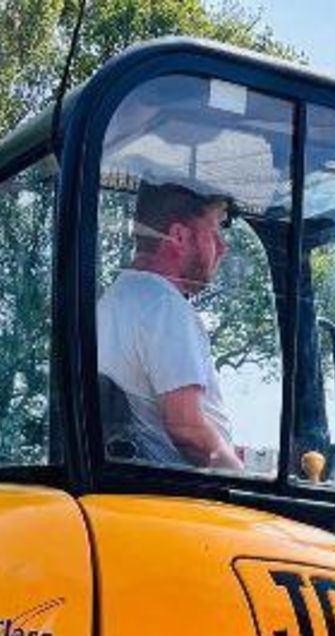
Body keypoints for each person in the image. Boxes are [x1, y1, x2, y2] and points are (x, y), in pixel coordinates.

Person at [97, 181, 241, 470]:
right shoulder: (164, 305)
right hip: (183, 494)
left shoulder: (112, 301)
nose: (223, 248)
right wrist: (246, 481)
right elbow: (188, 431)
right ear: (178, 236)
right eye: (214, 231)